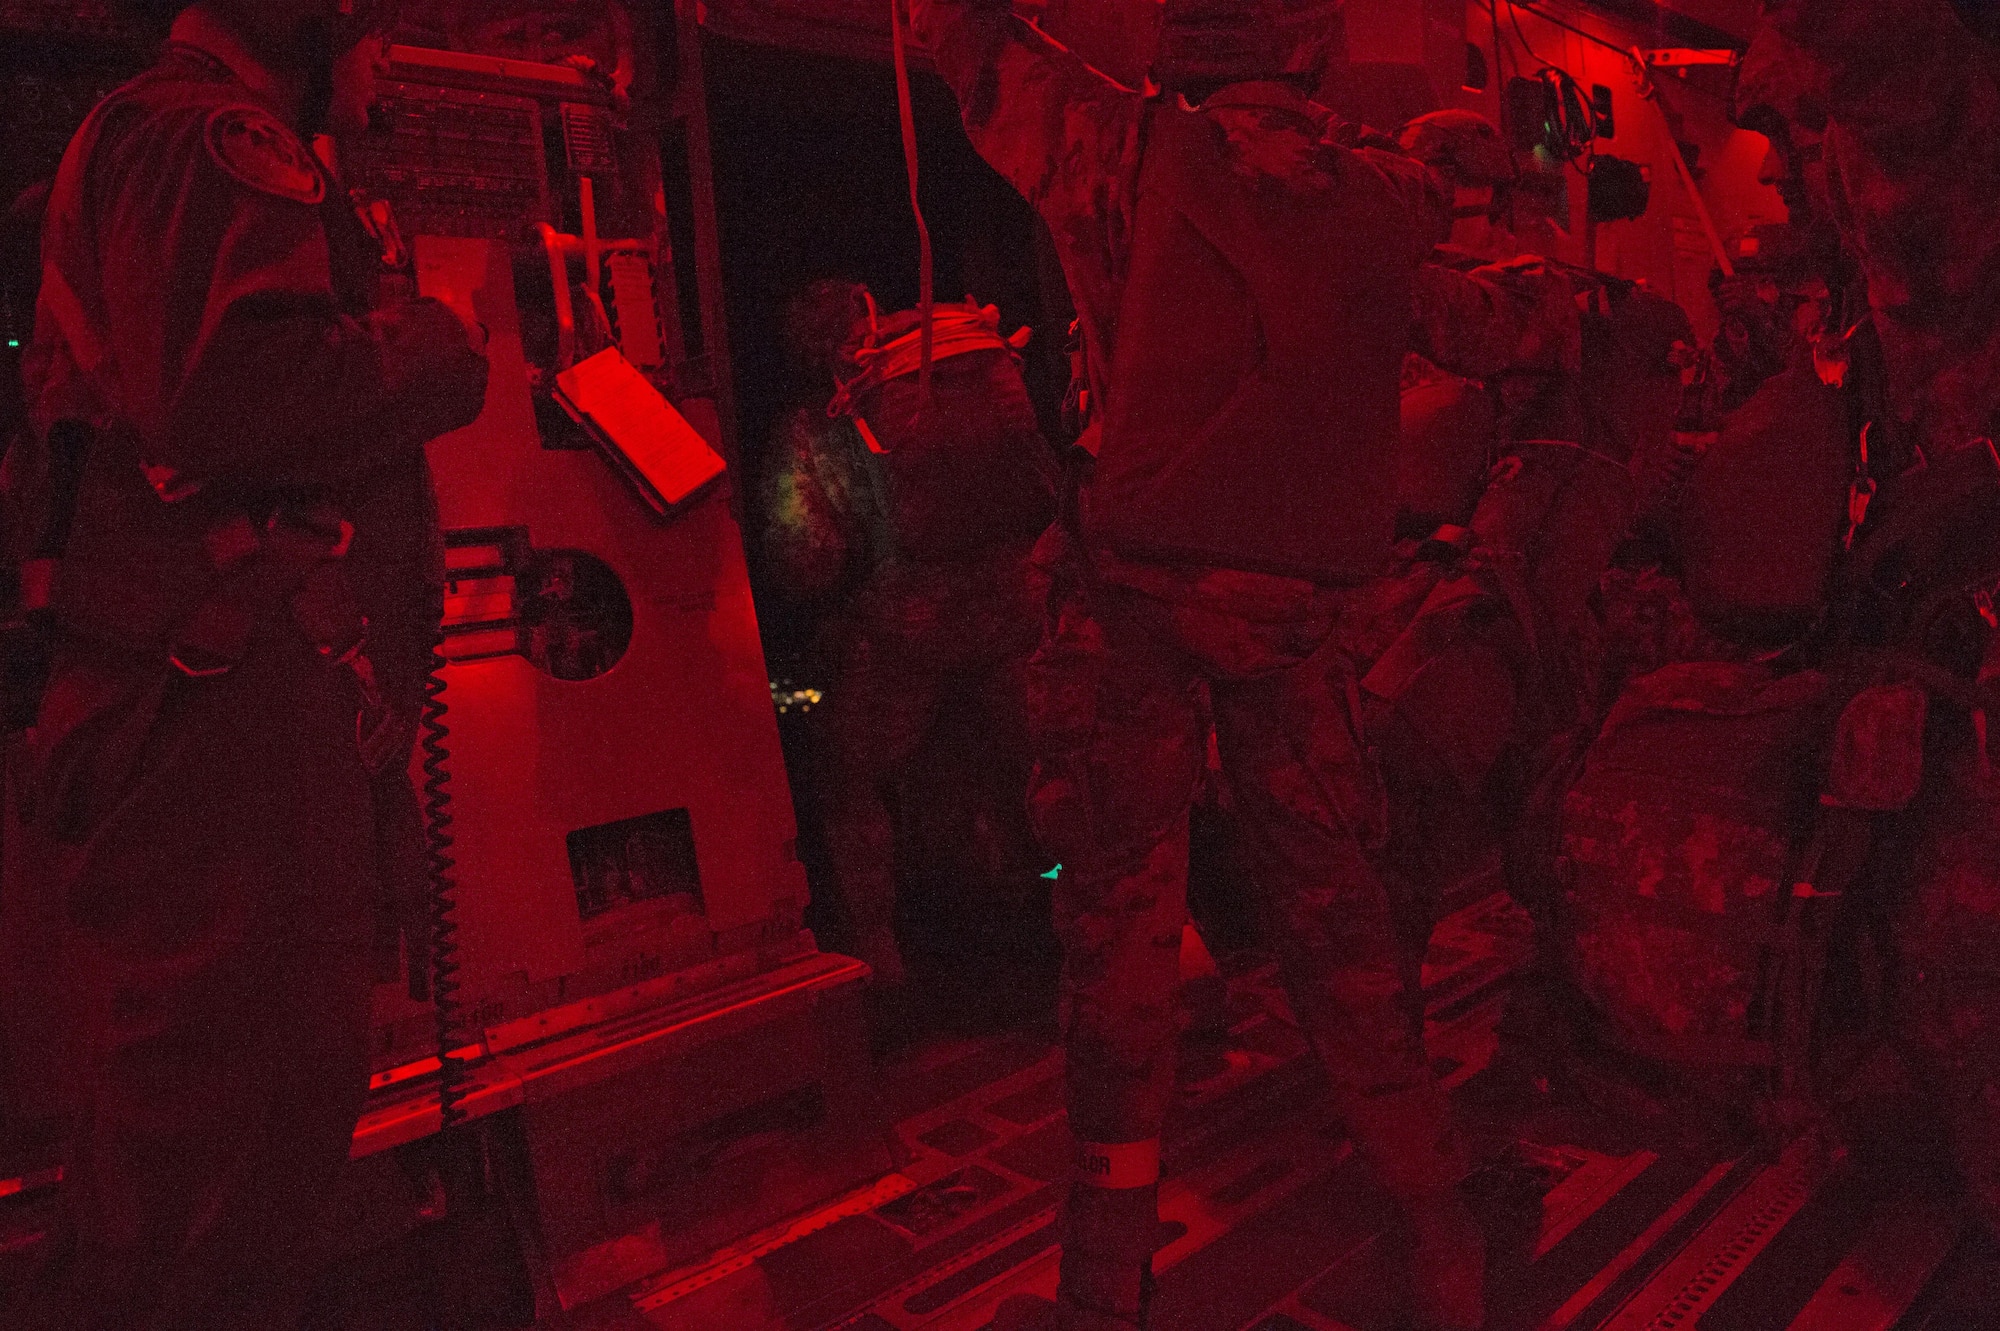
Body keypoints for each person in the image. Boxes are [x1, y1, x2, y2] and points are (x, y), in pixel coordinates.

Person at [911, 2, 1503, 1326]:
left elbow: (964, 31)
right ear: (1312, 52)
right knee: (1340, 921)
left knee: (1120, 952)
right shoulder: (1384, 193)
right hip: (1297, 625)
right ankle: (1437, 1225)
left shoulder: (1106, 146)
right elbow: (1480, 329)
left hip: (1133, 617)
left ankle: (1104, 1279)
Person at [1, 1, 488, 1327]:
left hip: (236, 724)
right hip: (216, 737)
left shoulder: (182, 144)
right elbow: (233, 391)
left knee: (215, 1139)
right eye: (369, 33)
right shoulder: (204, 140)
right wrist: (437, 354)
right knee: (213, 1149)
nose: (381, 65)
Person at [760, 280, 1056, 1034]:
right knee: (1043, 763)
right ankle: (1076, 912)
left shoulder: (815, 424)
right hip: (1013, 602)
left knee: (849, 776)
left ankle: (879, 953)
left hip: (906, 629)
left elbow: (809, 559)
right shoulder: (942, 373)